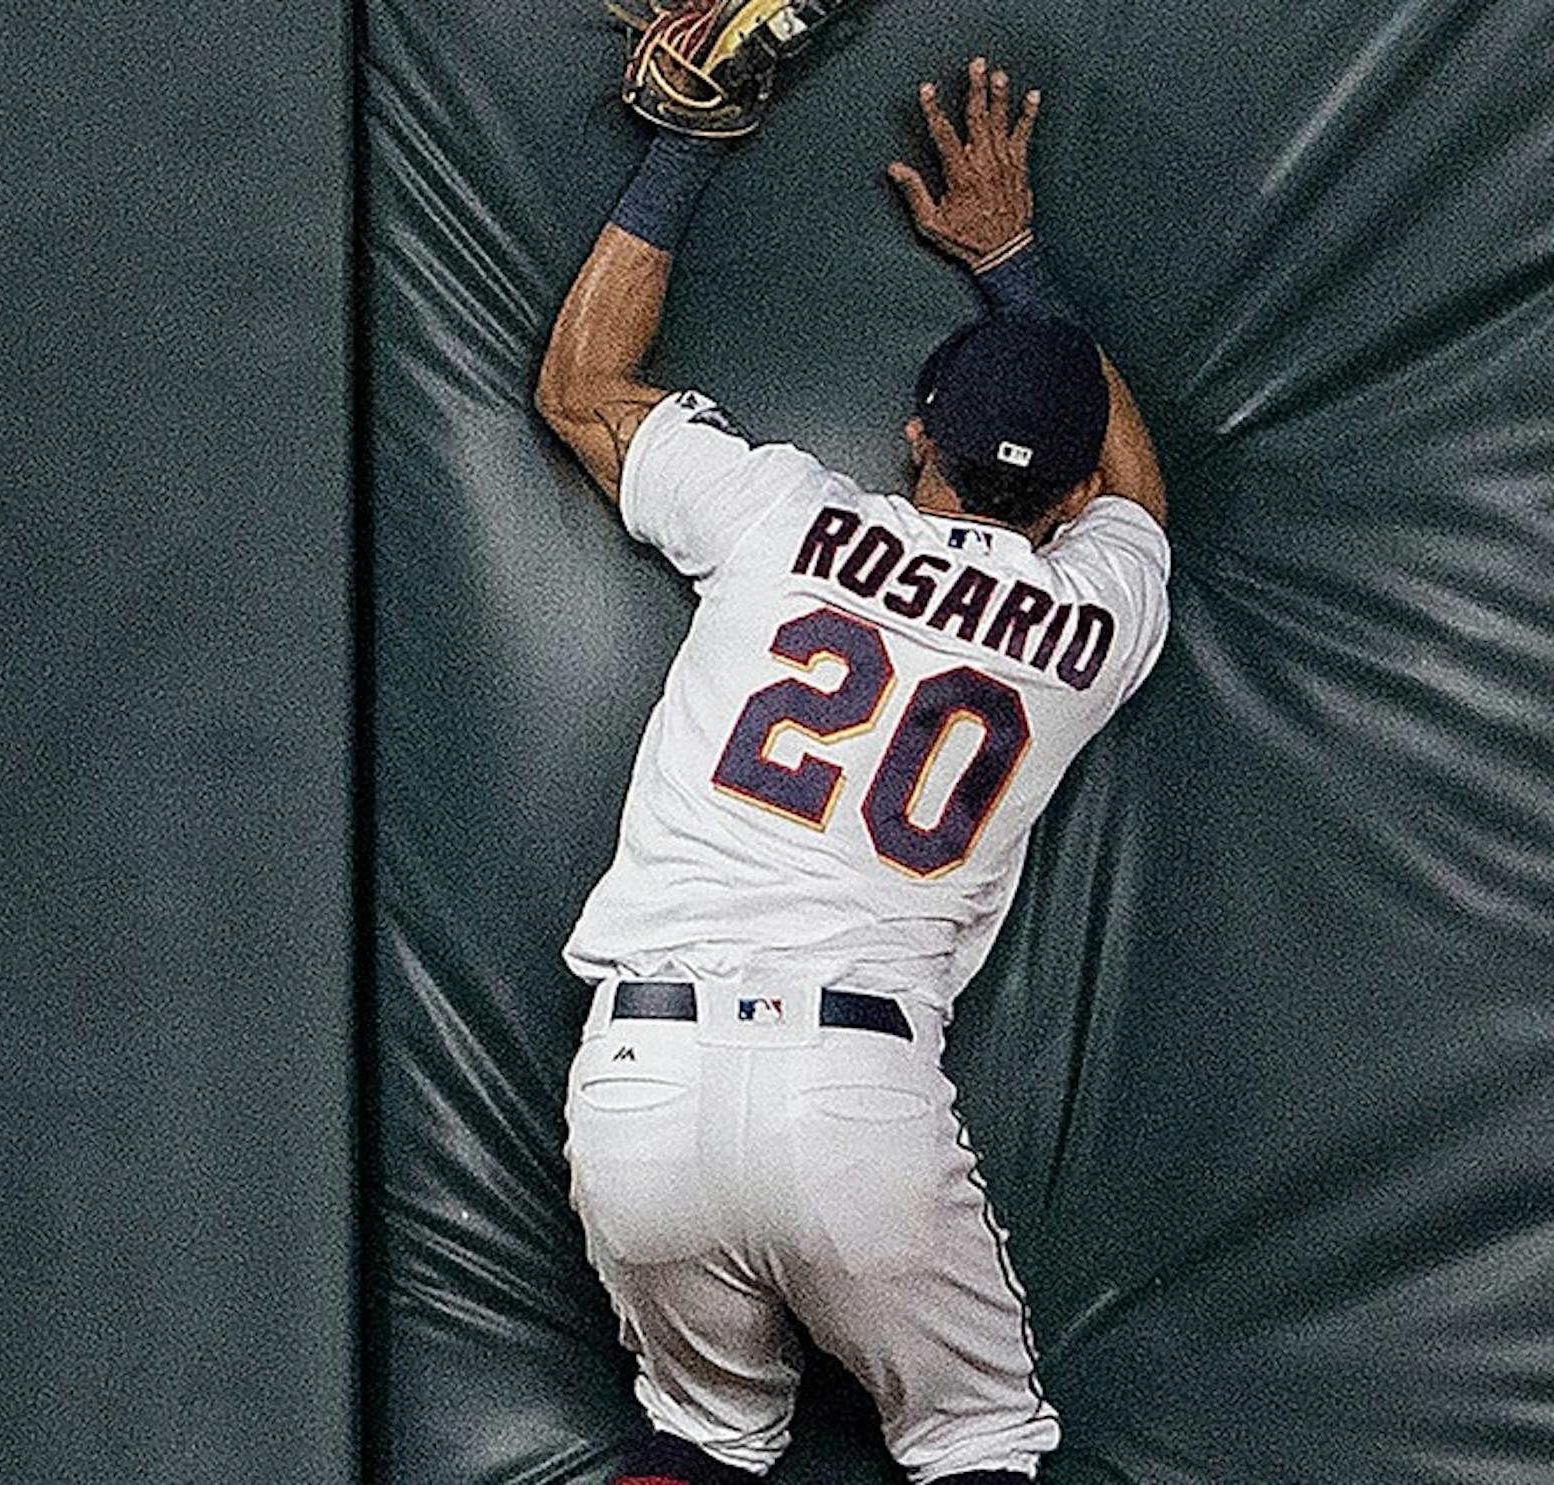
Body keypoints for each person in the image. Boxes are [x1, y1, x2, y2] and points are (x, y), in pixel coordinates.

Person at [534, 54, 1171, 1485]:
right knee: (980, 1440)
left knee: (701, 1437)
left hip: (642, 1080)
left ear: (916, 435)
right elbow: (1137, 493)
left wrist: (686, 147)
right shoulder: (1092, 622)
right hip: (853, 1095)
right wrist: (1010, 259)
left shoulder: (780, 518)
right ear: (1072, 499)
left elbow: (581, 389)